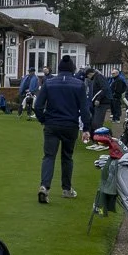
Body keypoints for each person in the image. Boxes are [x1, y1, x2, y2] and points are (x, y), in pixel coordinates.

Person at [35, 55, 89, 204]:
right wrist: (86, 128)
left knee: (49, 156)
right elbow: (85, 109)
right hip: (70, 125)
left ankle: (44, 186)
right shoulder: (79, 84)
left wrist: (43, 119)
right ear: (72, 69)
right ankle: (66, 189)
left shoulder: (49, 83)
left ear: (58, 69)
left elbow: (38, 105)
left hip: (52, 124)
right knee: (67, 157)